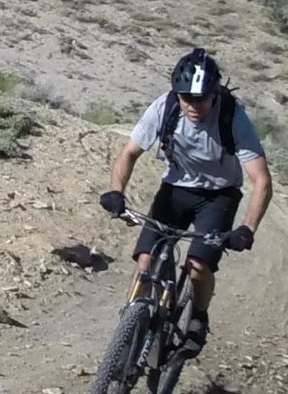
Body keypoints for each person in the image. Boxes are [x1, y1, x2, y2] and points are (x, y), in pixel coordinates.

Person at [98, 48, 273, 356]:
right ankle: (130, 326)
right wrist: (116, 192)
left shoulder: (233, 117)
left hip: (219, 195)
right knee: (146, 260)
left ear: (215, 93)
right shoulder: (164, 107)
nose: (193, 106)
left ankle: (199, 319)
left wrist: (248, 228)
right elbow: (129, 153)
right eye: (186, 98)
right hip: (176, 188)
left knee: (198, 267)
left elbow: (261, 179)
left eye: (201, 98)